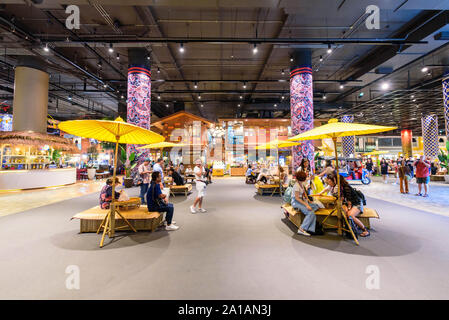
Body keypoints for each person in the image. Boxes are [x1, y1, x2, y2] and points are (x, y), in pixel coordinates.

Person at [325, 172, 370, 237]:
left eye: (331, 180)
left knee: (350, 215)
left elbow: (349, 202)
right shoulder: (339, 187)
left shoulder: (346, 187)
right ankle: (348, 229)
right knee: (343, 212)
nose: (330, 182)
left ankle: (365, 230)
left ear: (336, 180)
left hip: (356, 203)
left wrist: (348, 208)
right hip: (349, 204)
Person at [291, 171, 319, 236]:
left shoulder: (301, 184)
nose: (303, 181)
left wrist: (309, 200)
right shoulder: (296, 186)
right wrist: (306, 205)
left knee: (316, 206)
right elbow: (297, 198)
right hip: (296, 202)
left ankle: (309, 228)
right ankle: (302, 229)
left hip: (301, 201)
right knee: (311, 213)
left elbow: (304, 193)